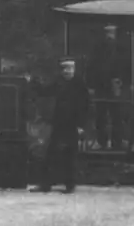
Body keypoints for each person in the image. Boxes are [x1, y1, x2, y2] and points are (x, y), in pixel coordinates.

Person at [28, 57, 91, 194]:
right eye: (64, 69)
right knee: (51, 153)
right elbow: (45, 91)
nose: (67, 71)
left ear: (74, 69)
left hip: (73, 124)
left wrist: (81, 125)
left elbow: (85, 106)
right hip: (59, 123)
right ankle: (46, 185)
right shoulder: (59, 82)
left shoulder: (80, 84)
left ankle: (70, 185)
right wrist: (33, 82)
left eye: (69, 68)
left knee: (70, 155)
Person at [89, 23, 130, 150]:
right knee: (101, 114)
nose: (109, 35)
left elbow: (126, 67)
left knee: (116, 114)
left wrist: (123, 82)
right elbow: (92, 67)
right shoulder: (98, 49)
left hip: (116, 85)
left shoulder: (121, 49)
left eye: (112, 33)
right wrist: (92, 85)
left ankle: (117, 141)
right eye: (107, 33)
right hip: (101, 85)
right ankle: (101, 141)